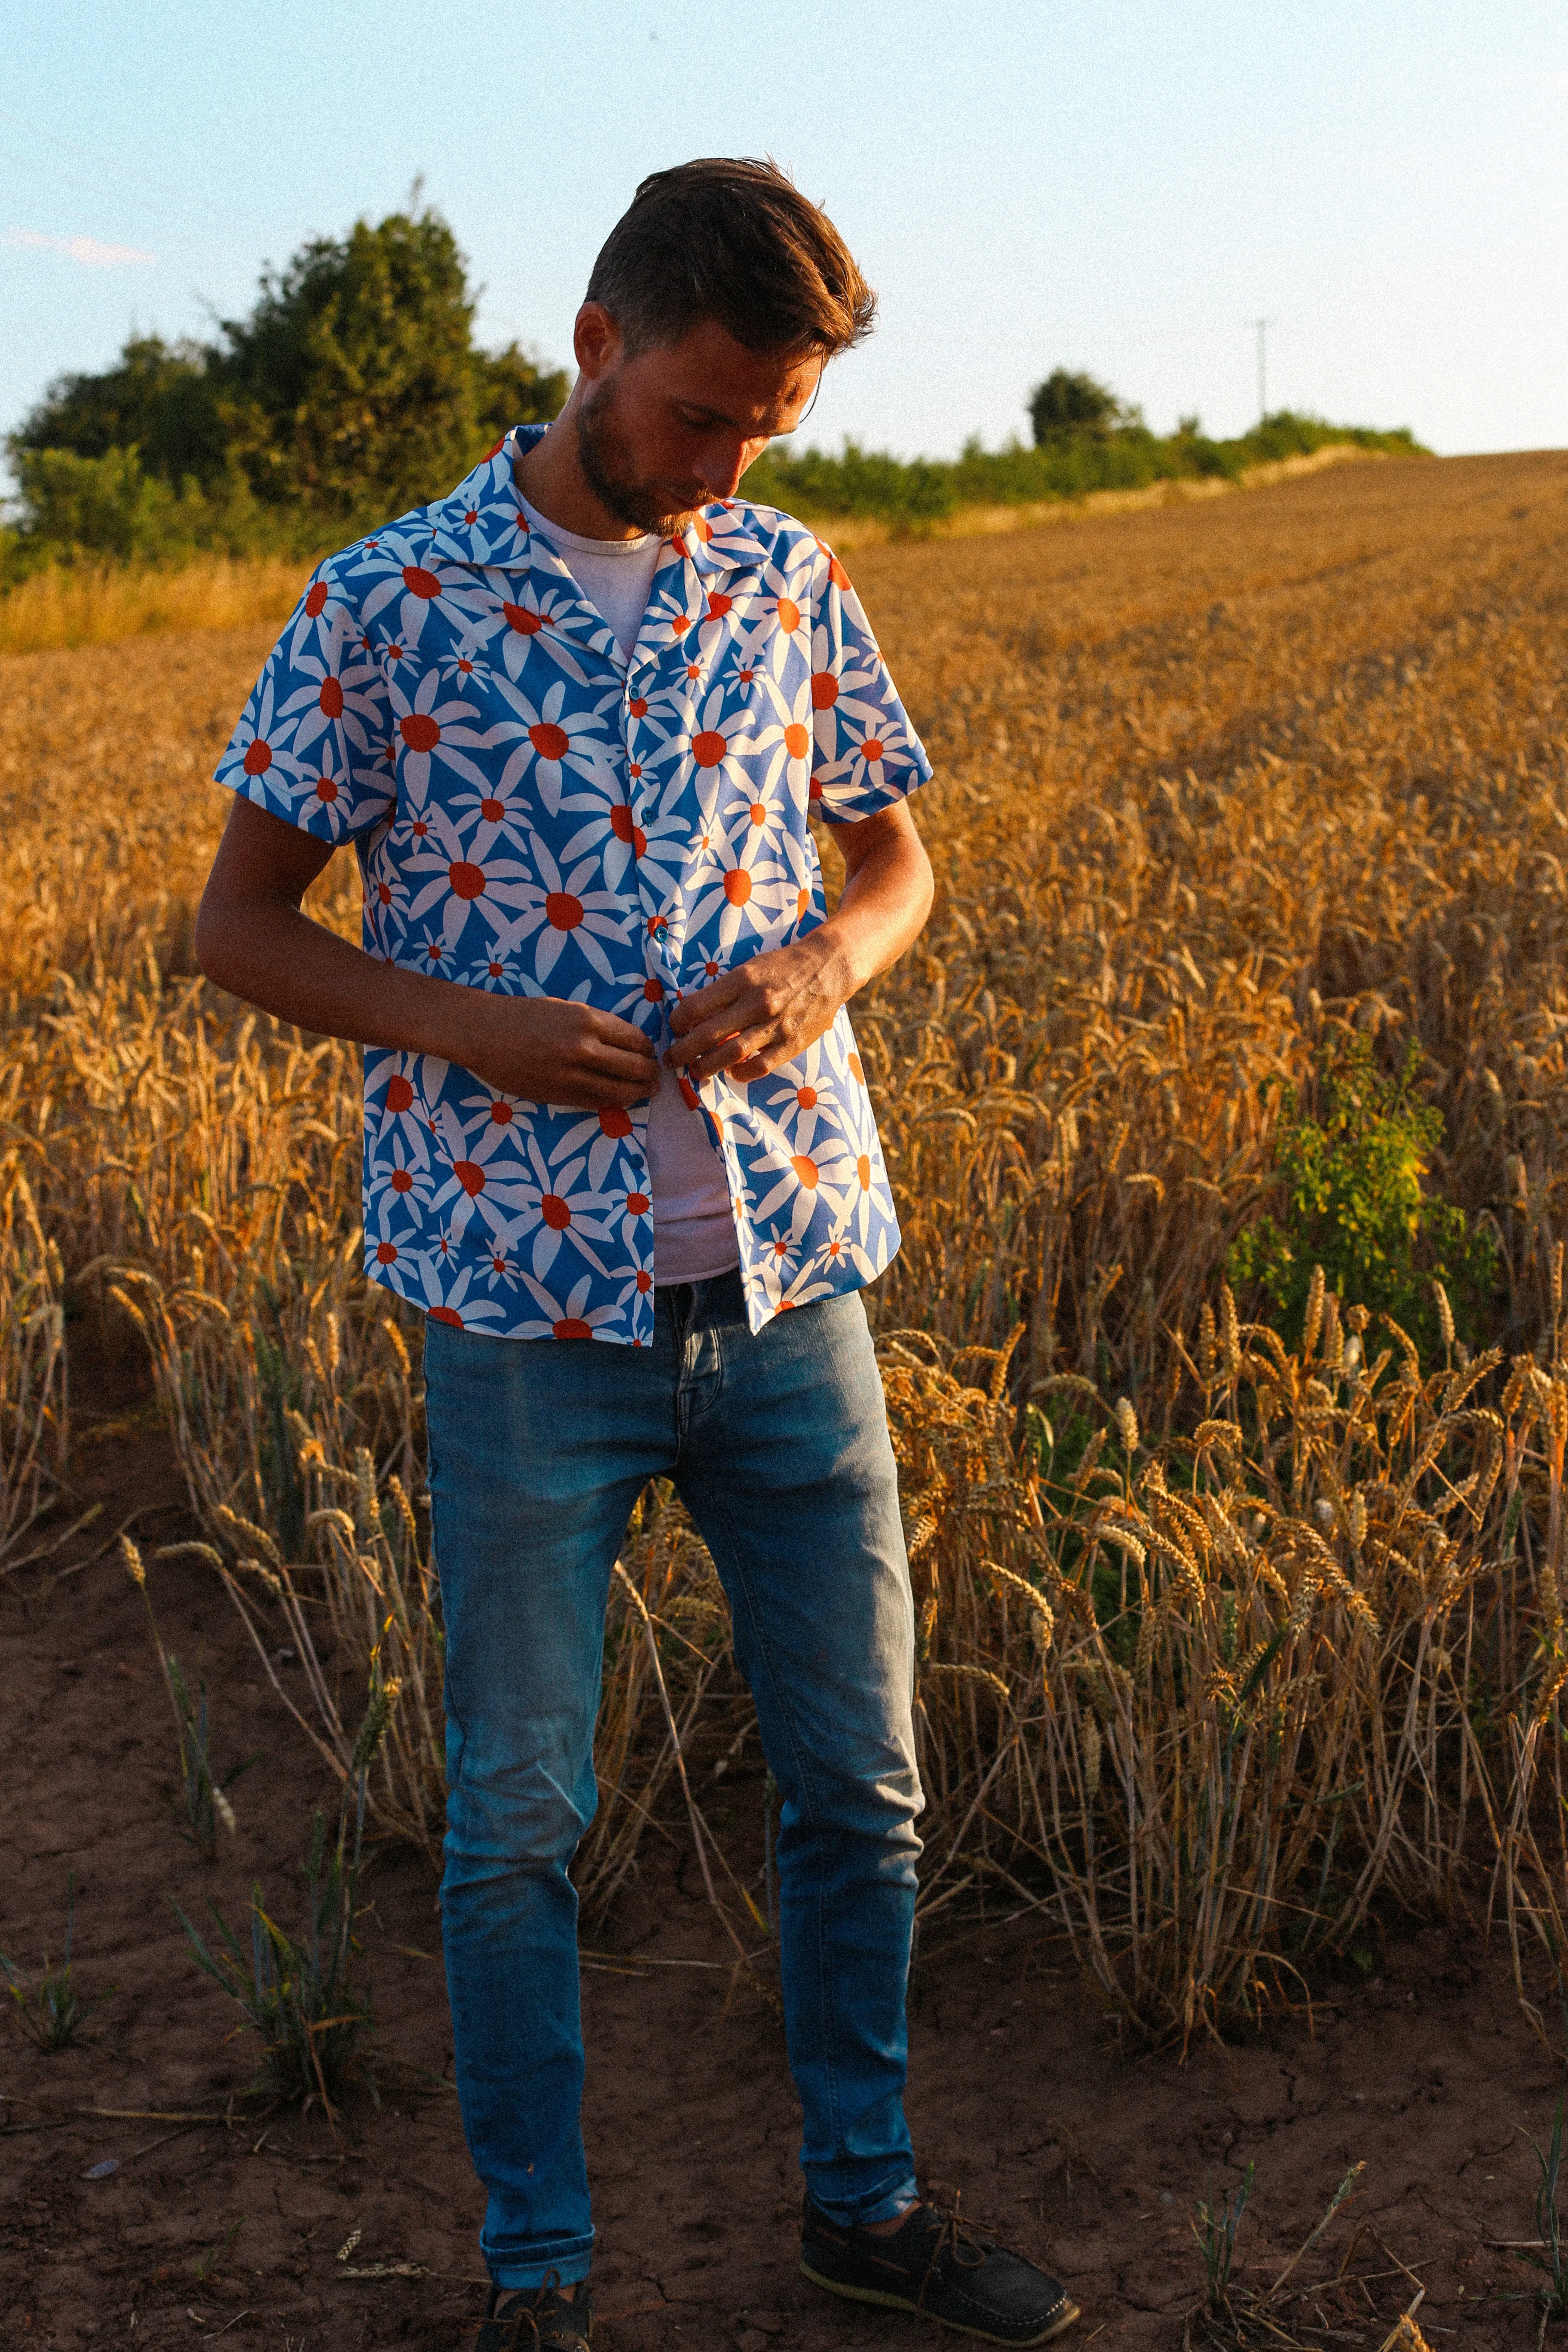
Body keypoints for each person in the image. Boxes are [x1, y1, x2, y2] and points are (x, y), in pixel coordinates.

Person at [196, 157, 1078, 2351]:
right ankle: (540, 2283)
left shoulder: (780, 575)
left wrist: (827, 974)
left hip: (794, 1288)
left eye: (769, 425)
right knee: (511, 1834)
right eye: (702, 412)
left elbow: (899, 869)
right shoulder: (385, 602)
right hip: (520, 1325)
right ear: (595, 345)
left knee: (861, 1789)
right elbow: (228, 930)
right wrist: (470, 1024)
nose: (729, 463)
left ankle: (860, 2214)